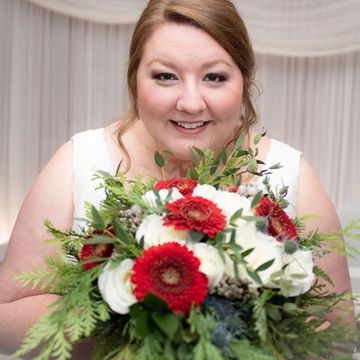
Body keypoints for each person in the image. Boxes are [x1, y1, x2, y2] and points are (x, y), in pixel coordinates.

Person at [0, 0, 355, 357]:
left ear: (244, 80)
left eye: (214, 77)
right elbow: (6, 316)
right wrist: (133, 320)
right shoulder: (79, 162)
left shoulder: (291, 173)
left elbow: (338, 337)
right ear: (134, 79)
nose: (190, 102)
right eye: (166, 76)